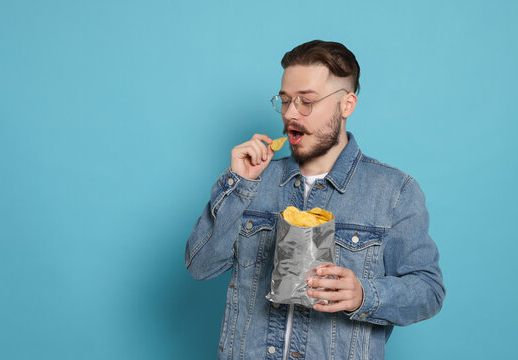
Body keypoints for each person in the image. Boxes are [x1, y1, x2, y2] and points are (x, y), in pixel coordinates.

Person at [185, 40, 445, 360]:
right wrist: (238, 184)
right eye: (285, 100)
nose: (291, 114)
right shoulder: (253, 182)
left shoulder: (395, 191)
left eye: (306, 101)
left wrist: (365, 294)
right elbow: (200, 267)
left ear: (346, 104)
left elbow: (429, 291)